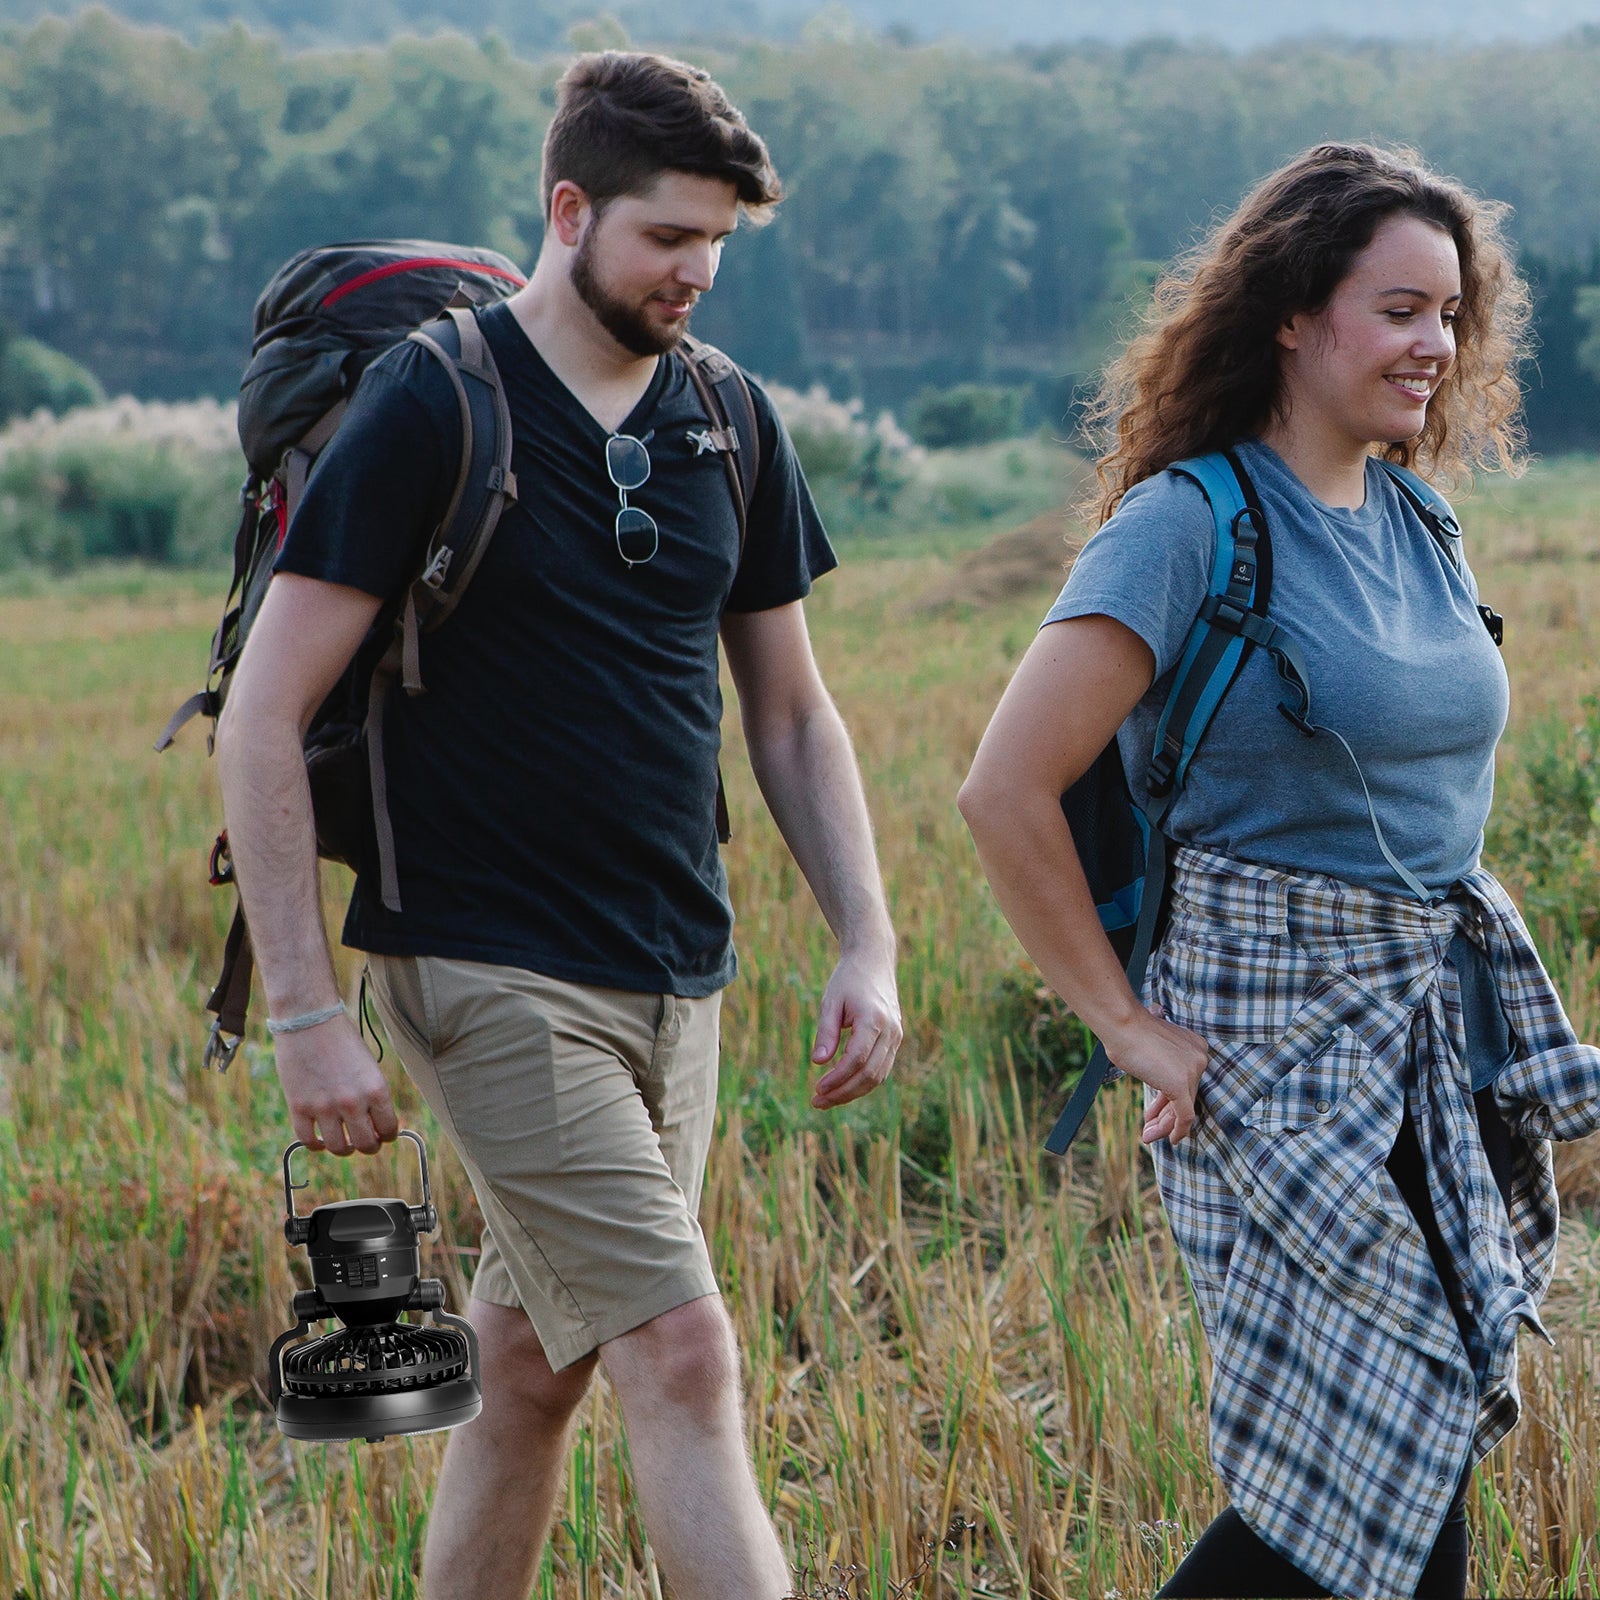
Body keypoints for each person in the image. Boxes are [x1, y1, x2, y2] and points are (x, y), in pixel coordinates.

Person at [216, 51, 902, 1600]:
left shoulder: (730, 417)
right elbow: (263, 715)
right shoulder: (433, 403)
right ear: (569, 207)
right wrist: (309, 1012)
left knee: (532, 1362)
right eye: (669, 237)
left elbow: (791, 713)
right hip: (485, 965)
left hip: (679, 974)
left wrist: (868, 937)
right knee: (682, 1348)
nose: (699, 274)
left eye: (720, 240)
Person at [958, 142, 1600, 1599]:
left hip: (1422, 1029)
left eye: (1450, 312)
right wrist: (1125, 1026)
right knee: (1395, 1423)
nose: (1435, 344)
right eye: (1397, 310)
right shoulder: (1190, 528)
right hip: (1274, 1040)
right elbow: (1005, 792)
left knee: (1404, 1441)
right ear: (1294, 317)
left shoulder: (1419, 521)